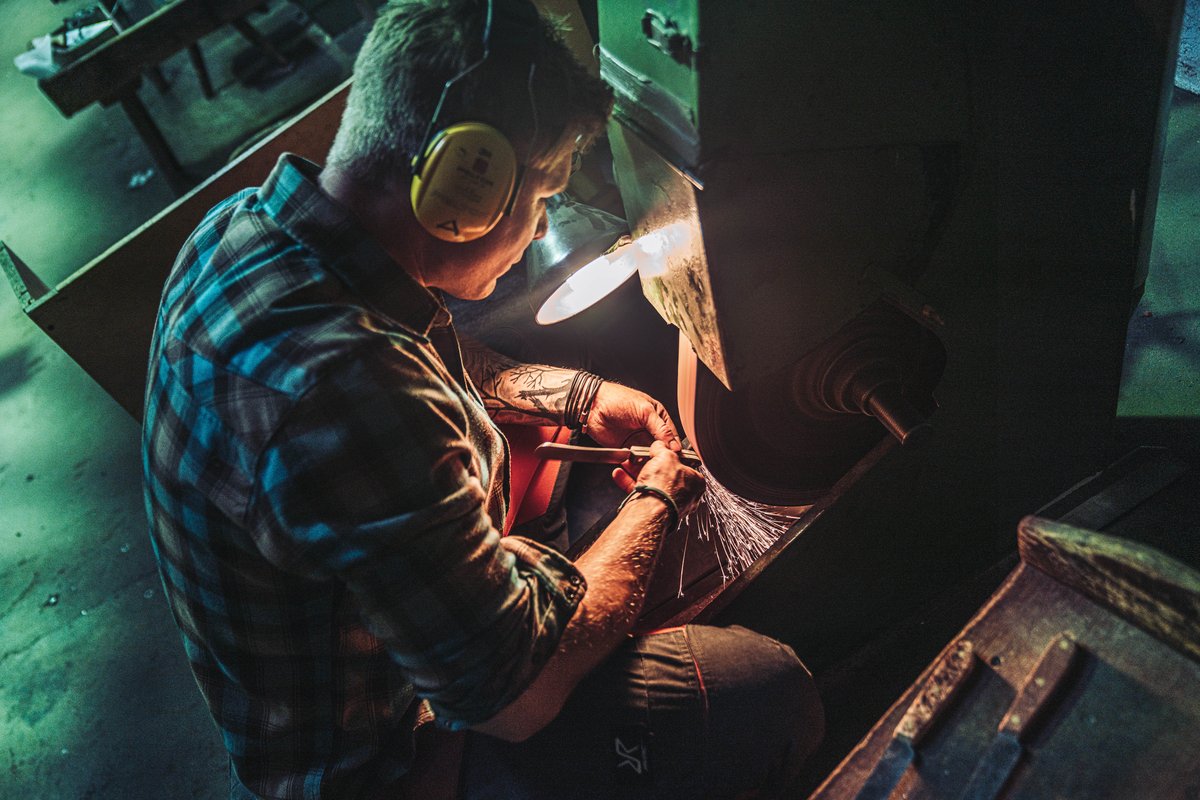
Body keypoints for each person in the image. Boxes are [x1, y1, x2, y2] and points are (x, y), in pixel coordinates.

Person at [141, 1, 823, 797]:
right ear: (469, 182)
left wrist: (578, 395)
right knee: (765, 693)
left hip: (353, 641)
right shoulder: (341, 395)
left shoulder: (244, 230)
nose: (540, 234)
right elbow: (515, 700)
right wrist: (658, 499)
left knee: (575, 501)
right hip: (390, 762)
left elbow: (423, 352)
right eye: (543, 200)